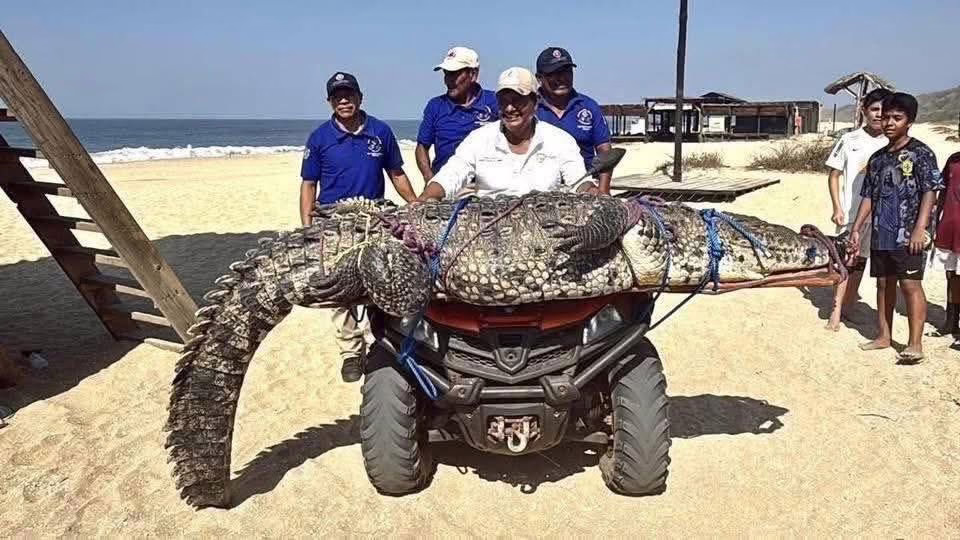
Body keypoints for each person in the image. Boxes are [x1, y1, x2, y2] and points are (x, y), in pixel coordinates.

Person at [300, 71, 418, 382]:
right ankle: (351, 352)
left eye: (349, 94)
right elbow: (309, 184)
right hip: (332, 220)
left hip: (373, 217)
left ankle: (381, 340)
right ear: (329, 102)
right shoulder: (319, 138)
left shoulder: (380, 131)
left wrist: (416, 204)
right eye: (337, 96)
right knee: (338, 286)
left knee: (382, 277)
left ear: (360, 97)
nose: (344, 100)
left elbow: (396, 174)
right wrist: (307, 228)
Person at [850, 92, 944, 364]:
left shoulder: (921, 153)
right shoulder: (878, 158)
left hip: (909, 234)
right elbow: (869, 196)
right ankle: (883, 336)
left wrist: (920, 228)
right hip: (882, 231)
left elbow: (930, 191)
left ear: (909, 121)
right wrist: (857, 227)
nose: (889, 123)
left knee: (910, 284)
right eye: (886, 117)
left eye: (897, 118)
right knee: (883, 283)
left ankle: (915, 344)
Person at [416, 67, 596, 201]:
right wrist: (426, 197)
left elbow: (579, 181)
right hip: (488, 227)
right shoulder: (478, 139)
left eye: (517, 100)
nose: (509, 108)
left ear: (535, 103)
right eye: (503, 101)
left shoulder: (560, 141)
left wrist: (591, 191)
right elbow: (450, 176)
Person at [824, 87, 891, 331]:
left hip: (880, 215)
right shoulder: (850, 139)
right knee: (845, 259)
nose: (878, 115)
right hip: (852, 212)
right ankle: (835, 310)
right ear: (864, 110)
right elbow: (834, 175)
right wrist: (837, 207)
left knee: (861, 260)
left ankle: (849, 305)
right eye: (874, 109)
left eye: (883, 110)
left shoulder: (891, 141)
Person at [534, 47, 614, 193]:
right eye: (553, 74)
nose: (561, 78)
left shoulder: (589, 106)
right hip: (541, 186)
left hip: (584, 185)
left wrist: (603, 191)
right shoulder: (530, 108)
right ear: (539, 78)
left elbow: (605, 151)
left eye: (566, 72)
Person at [415, 46, 499, 183]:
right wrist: (429, 179)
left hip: (486, 186)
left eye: (454, 74)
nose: (448, 80)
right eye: (446, 74)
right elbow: (422, 147)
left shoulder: (495, 102)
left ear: (473, 74)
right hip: (446, 185)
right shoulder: (435, 106)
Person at [932, 151, 960, 349]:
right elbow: (942, 192)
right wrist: (935, 222)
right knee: (952, 276)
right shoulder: (953, 160)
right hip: (950, 226)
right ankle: (951, 321)